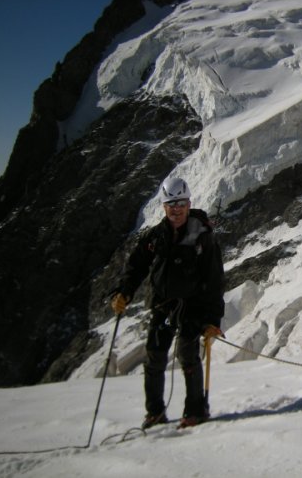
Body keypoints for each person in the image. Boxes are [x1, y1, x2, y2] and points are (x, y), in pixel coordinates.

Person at [111, 177, 225, 429]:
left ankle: (195, 411)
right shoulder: (157, 236)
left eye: (181, 203)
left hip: (192, 305)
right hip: (163, 304)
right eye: (171, 203)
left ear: (189, 203)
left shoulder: (202, 235)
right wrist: (124, 291)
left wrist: (212, 320)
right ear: (163, 206)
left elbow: (214, 279)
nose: (177, 208)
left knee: (188, 356)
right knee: (154, 357)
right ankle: (155, 412)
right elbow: (136, 265)